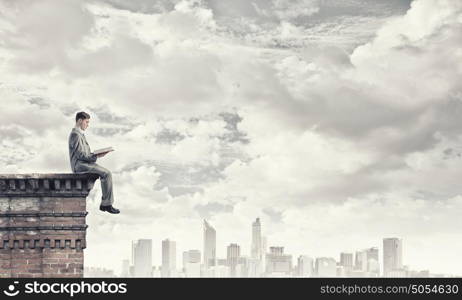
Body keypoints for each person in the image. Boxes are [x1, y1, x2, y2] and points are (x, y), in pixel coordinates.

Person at [68, 111, 120, 214]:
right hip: (79, 165)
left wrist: (96, 155)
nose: (88, 125)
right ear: (79, 121)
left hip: (84, 163)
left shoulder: (79, 134)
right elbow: (80, 155)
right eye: (86, 122)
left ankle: (106, 203)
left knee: (106, 173)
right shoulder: (75, 135)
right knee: (106, 173)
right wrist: (96, 155)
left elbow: (83, 153)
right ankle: (106, 204)